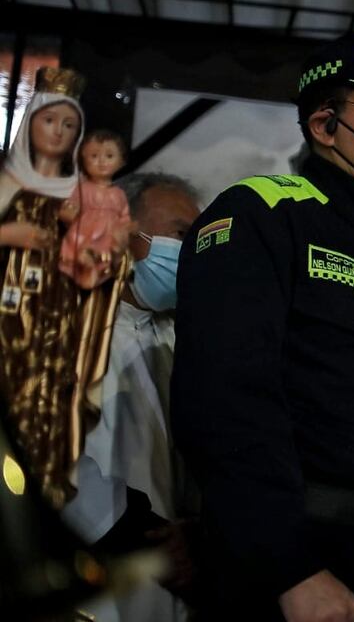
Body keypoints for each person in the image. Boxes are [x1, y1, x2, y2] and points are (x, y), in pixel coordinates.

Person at [172, 29, 354, 620]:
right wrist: (289, 567)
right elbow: (223, 401)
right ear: (325, 125)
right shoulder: (259, 214)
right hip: (297, 559)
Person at [62, 172, 202, 622]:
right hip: (91, 569)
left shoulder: (181, 338)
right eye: (180, 234)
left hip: (175, 580)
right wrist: (139, 532)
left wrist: (194, 536)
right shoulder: (60, 328)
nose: (190, 252)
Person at [1, 67, 128, 508]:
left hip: (57, 314)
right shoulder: (7, 182)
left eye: (70, 124)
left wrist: (106, 256)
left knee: (48, 396)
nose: (58, 131)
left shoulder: (82, 192)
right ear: (30, 122)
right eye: (50, 119)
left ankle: (36, 489)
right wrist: (10, 234)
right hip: (6, 310)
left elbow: (105, 246)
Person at [59, 129, 132, 289]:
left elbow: (124, 217)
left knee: (107, 258)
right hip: (85, 233)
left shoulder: (119, 194)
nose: (101, 161)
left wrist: (125, 230)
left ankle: (94, 270)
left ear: (121, 161)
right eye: (94, 156)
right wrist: (69, 214)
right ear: (84, 159)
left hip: (108, 237)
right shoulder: (82, 188)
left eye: (109, 156)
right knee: (81, 245)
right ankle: (84, 262)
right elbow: (69, 208)